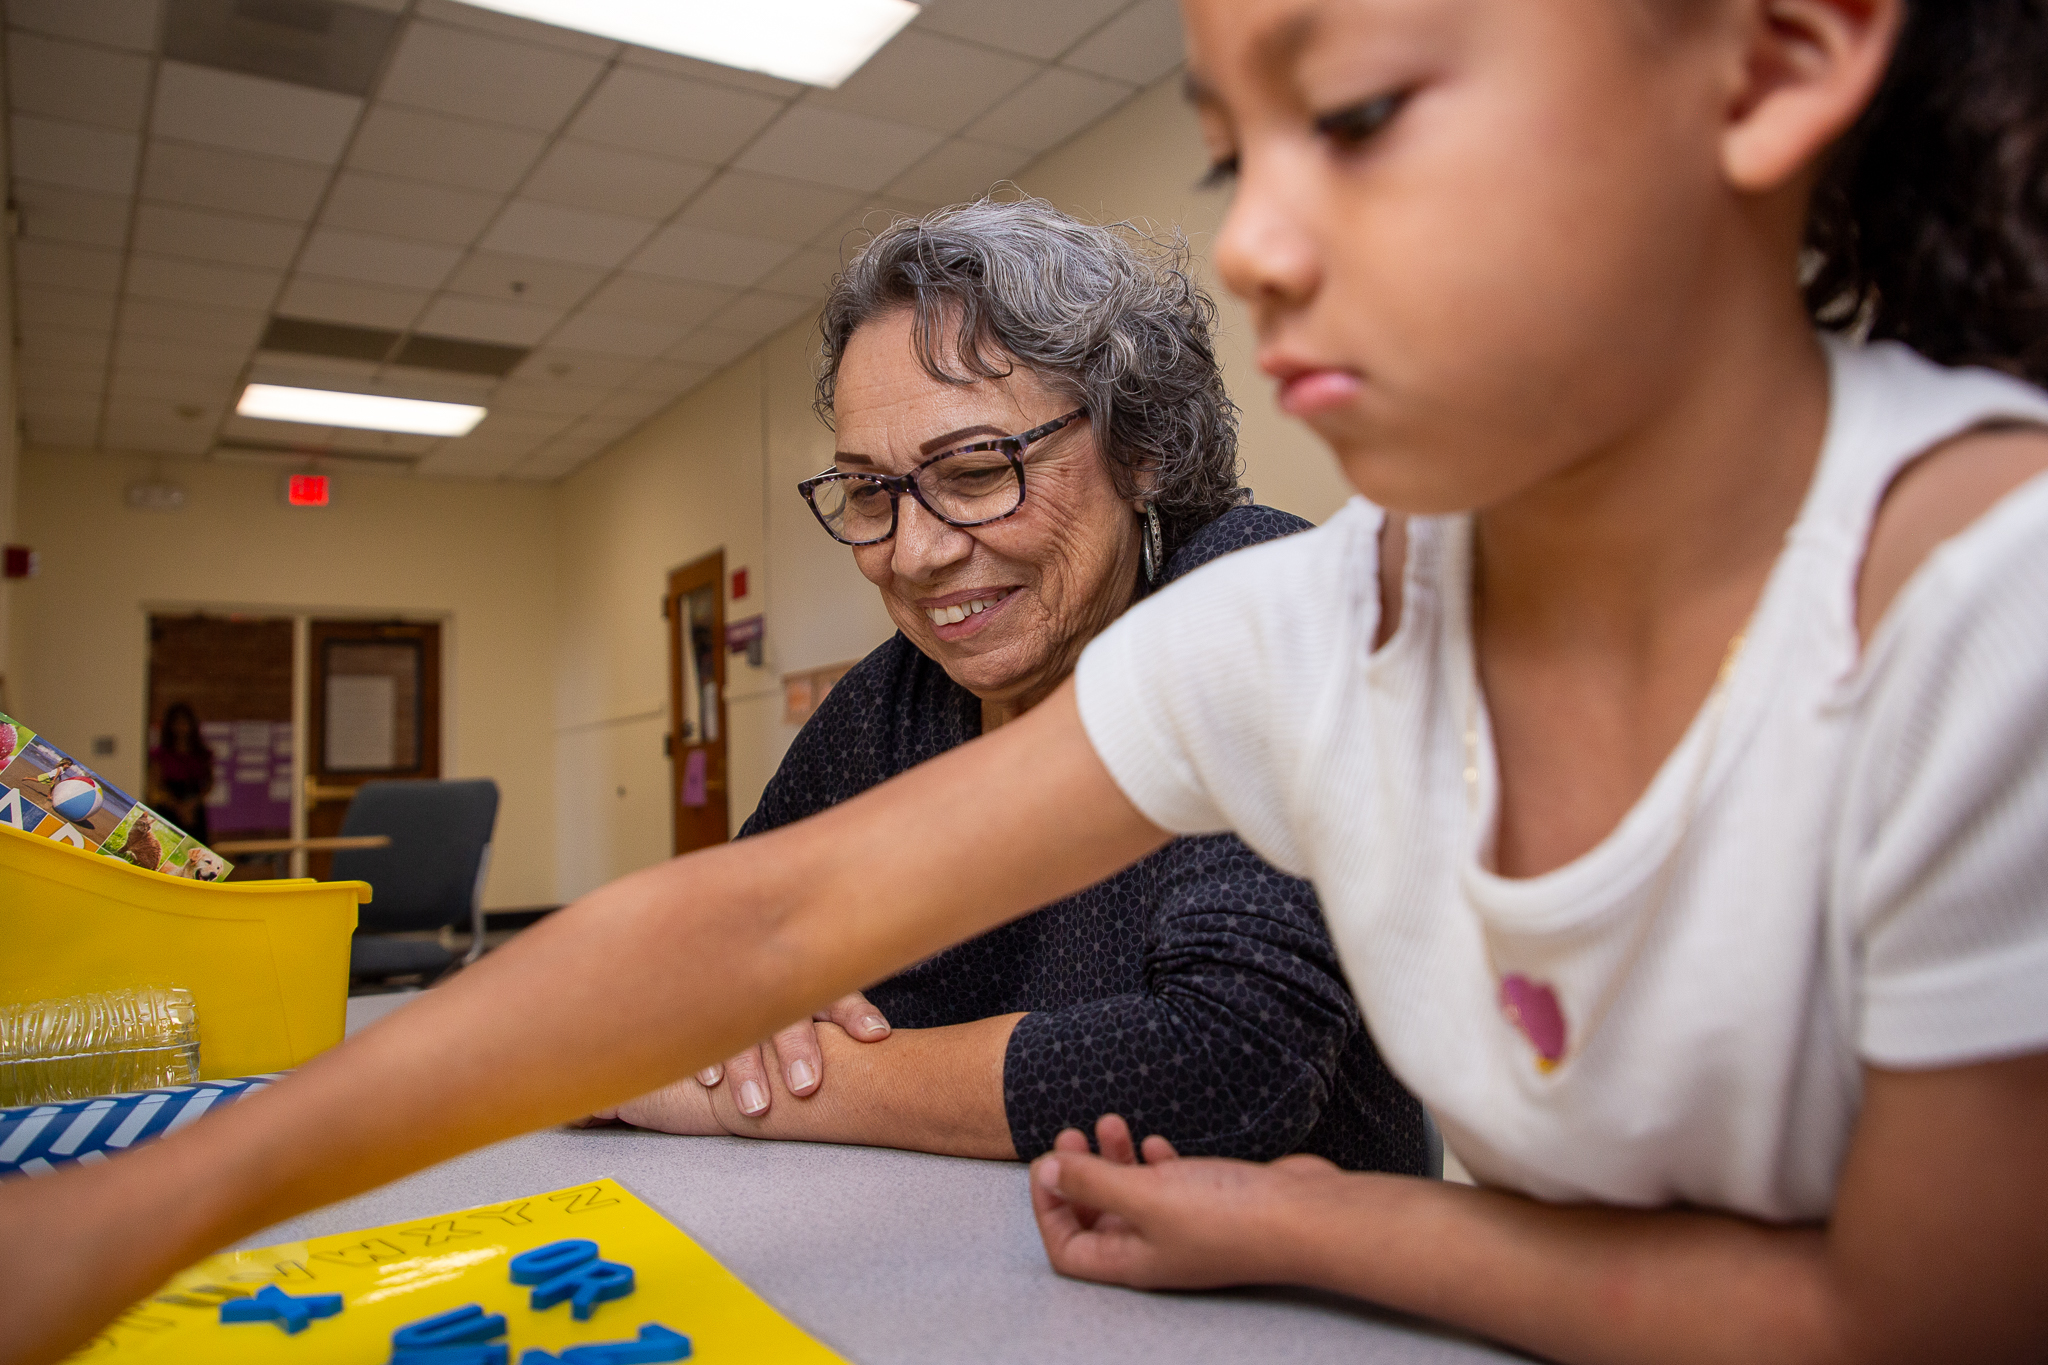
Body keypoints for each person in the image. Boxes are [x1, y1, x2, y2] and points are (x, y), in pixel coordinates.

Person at [4, 2, 2046, 1362]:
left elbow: (1900, 1316)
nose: (1253, 248)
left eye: (1352, 116)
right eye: (1239, 157)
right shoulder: (1321, 626)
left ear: (1773, 60)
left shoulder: (1990, 605)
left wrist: (1317, 1219)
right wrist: (146, 1209)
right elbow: (764, 913)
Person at [581, 201, 1425, 1175]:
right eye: (867, 491)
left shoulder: (1261, 596)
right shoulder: (893, 698)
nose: (913, 552)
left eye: (977, 470)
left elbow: (1221, 1072)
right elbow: (706, 949)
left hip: (1286, 1308)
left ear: (1139, 449)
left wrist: (756, 1092)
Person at [145, 703, 214, 846]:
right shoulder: (160, 755)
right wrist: (178, 807)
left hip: (194, 807)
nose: (181, 728)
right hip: (169, 807)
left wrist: (192, 805)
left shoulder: (201, 754)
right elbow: (155, 786)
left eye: (185, 723)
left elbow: (209, 783)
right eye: (177, 723)